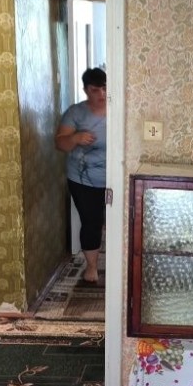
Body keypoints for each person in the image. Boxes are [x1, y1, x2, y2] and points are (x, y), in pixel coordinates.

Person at [55, 67, 108, 285]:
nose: (101, 94)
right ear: (86, 90)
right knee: (91, 222)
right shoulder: (75, 113)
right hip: (83, 179)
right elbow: (60, 143)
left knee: (118, 221)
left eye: (104, 88)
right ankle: (92, 267)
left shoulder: (120, 108)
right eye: (95, 90)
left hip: (116, 177)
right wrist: (76, 138)